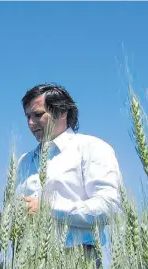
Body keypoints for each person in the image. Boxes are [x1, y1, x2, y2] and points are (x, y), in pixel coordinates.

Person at [15, 83, 122, 255]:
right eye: (27, 116)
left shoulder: (92, 148)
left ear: (62, 112)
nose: (30, 123)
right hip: (27, 262)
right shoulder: (23, 161)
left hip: (76, 258)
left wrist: (48, 208)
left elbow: (108, 208)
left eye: (37, 115)